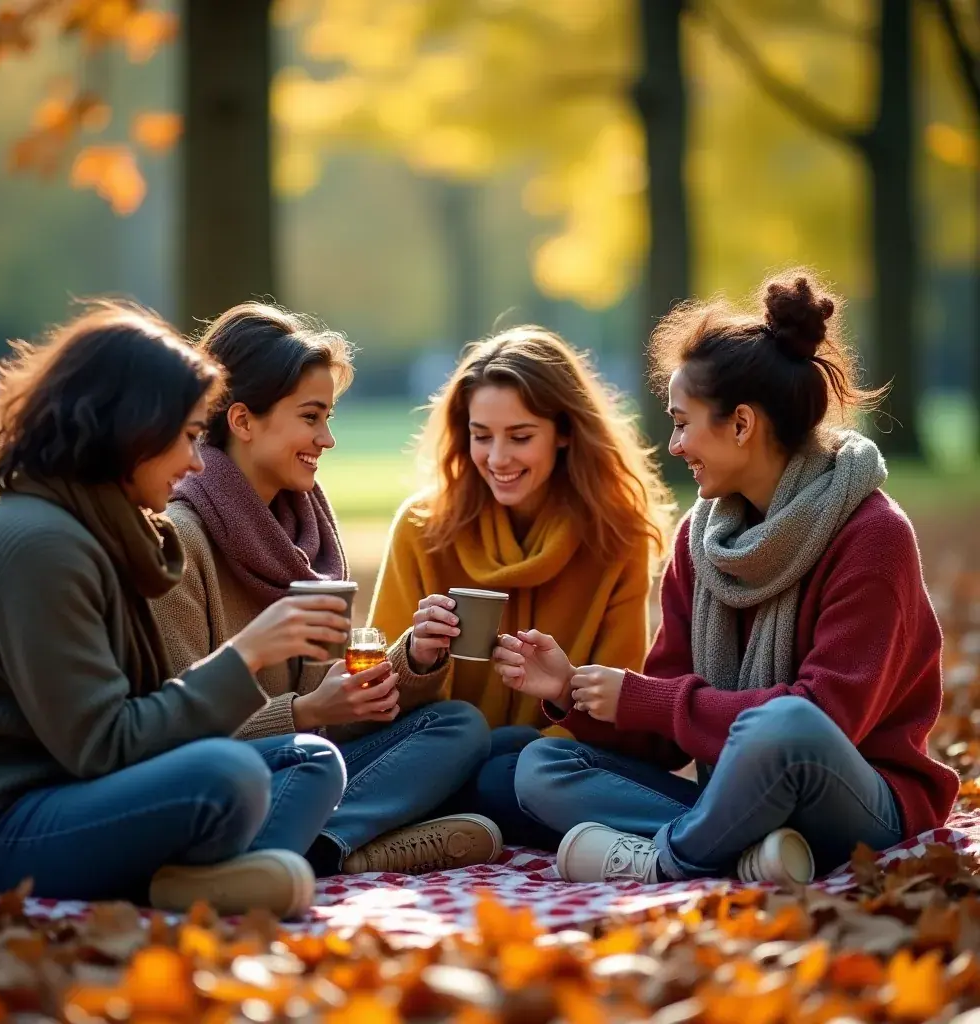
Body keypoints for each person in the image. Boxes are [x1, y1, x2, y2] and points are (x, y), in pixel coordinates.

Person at [498, 271, 959, 885]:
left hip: (863, 804)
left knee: (787, 725)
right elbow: (666, 729)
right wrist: (569, 689)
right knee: (542, 766)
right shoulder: (700, 539)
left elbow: (825, 719)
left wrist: (647, 699)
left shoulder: (871, 534)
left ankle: (669, 859)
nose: (675, 444)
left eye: (684, 423)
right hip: (738, 795)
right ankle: (745, 849)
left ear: (741, 425)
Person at [0, 302, 349, 919]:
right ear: (131, 428)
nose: (197, 462)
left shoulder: (103, 530)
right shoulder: (38, 544)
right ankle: (208, 880)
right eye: (189, 437)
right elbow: (104, 745)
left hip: (82, 793)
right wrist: (246, 658)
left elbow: (142, 717)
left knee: (309, 757)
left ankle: (192, 885)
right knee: (227, 777)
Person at [151, 303, 498, 877]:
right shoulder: (182, 539)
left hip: (311, 762)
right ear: (242, 421)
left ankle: (322, 847)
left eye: (328, 417)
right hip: (226, 776)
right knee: (312, 761)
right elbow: (172, 729)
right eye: (311, 417)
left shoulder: (305, 531)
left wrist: (412, 659)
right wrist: (306, 713)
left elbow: (336, 705)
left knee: (459, 728)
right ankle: (329, 845)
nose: (328, 438)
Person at [368, 326, 673, 847]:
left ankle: (467, 817)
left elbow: (617, 714)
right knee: (486, 751)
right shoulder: (423, 527)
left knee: (513, 757)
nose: (498, 458)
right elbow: (371, 699)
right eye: (481, 434)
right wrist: (415, 658)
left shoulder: (616, 536)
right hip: (433, 761)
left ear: (564, 430)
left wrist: (559, 697)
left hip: (538, 769)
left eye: (520, 436)